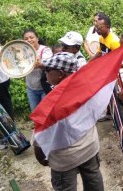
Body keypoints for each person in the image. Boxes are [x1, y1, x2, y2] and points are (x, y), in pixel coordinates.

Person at [33, 52, 104, 191]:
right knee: (93, 179)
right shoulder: (87, 87)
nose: (45, 73)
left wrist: (40, 156)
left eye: (47, 70)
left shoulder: (51, 102)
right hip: (89, 146)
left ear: (60, 73)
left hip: (65, 158)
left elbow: (40, 137)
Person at [23, 29, 53, 111]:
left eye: (31, 37)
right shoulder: (22, 51)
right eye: (26, 38)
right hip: (31, 88)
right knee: (35, 112)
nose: (29, 40)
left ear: (37, 38)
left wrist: (40, 65)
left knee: (45, 113)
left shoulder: (45, 50)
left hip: (44, 88)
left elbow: (48, 64)